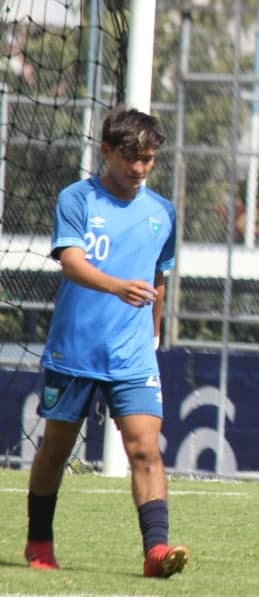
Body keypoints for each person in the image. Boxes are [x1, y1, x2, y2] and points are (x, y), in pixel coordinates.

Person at [25, 106, 189, 578]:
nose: (139, 169)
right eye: (130, 158)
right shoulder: (77, 199)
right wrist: (118, 286)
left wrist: (153, 332)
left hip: (133, 354)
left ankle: (156, 552)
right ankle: (39, 543)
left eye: (149, 160)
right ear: (106, 152)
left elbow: (159, 279)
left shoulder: (162, 213)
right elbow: (72, 263)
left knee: (145, 449)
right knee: (56, 449)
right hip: (75, 350)